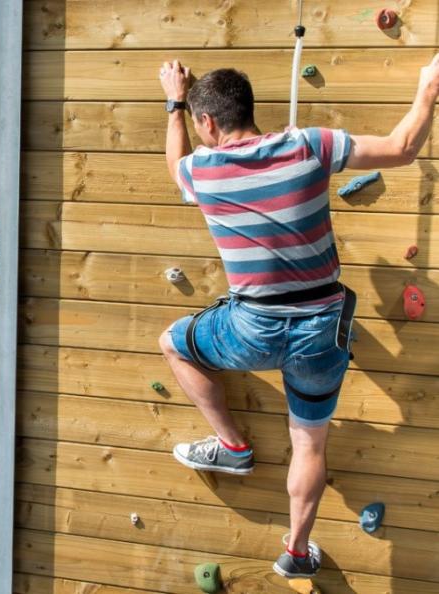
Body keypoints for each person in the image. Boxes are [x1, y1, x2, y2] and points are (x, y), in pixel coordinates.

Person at [157, 55, 439, 578]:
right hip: (320, 327)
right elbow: (402, 148)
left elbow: (176, 164)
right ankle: (297, 551)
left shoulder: (202, 171)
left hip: (250, 329)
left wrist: (175, 100)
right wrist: (428, 86)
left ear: (208, 124)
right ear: (249, 108)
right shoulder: (309, 145)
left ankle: (233, 446)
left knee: (174, 343)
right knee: (308, 442)